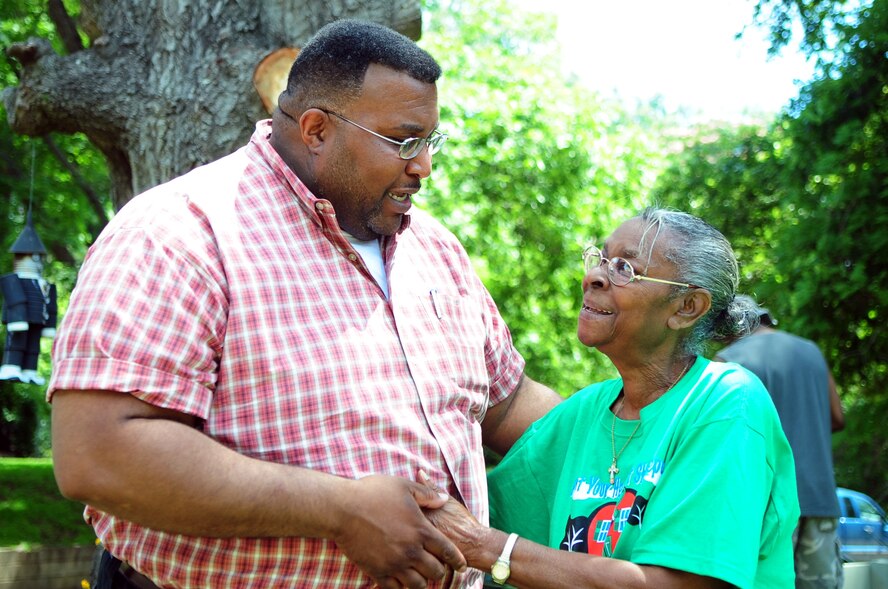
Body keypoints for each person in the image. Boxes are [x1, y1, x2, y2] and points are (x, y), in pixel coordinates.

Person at [47, 19, 560, 589]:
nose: (424, 168)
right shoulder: (180, 233)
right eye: (405, 142)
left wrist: (650, 435)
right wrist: (339, 509)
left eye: (431, 142)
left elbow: (508, 404)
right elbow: (99, 453)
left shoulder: (433, 249)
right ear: (316, 129)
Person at [421, 207, 800, 589]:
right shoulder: (585, 413)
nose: (593, 277)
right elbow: (474, 511)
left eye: (624, 268)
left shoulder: (726, 403)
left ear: (687, 308)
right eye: (600, 259)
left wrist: (489, 549)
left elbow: (676, 585)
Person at [716, 298, 845, 589]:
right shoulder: (810, 351)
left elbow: (720, 439)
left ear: (730, 327)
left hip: (765, 506)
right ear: (766, 319)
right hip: (818, 497)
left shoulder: (726, 362)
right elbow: (837, 418)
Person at [1, 211, 57, 386]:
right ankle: (11, 367)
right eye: (34, 256)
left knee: (34, 345)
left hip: (36, 320)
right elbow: (14, 299)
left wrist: (50, 326)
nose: (38, 261)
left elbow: (50, 305)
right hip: (20, 320)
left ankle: (29, 370)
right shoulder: (14, 280)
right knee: (17, 341)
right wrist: (17, 318)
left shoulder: (44, 284)